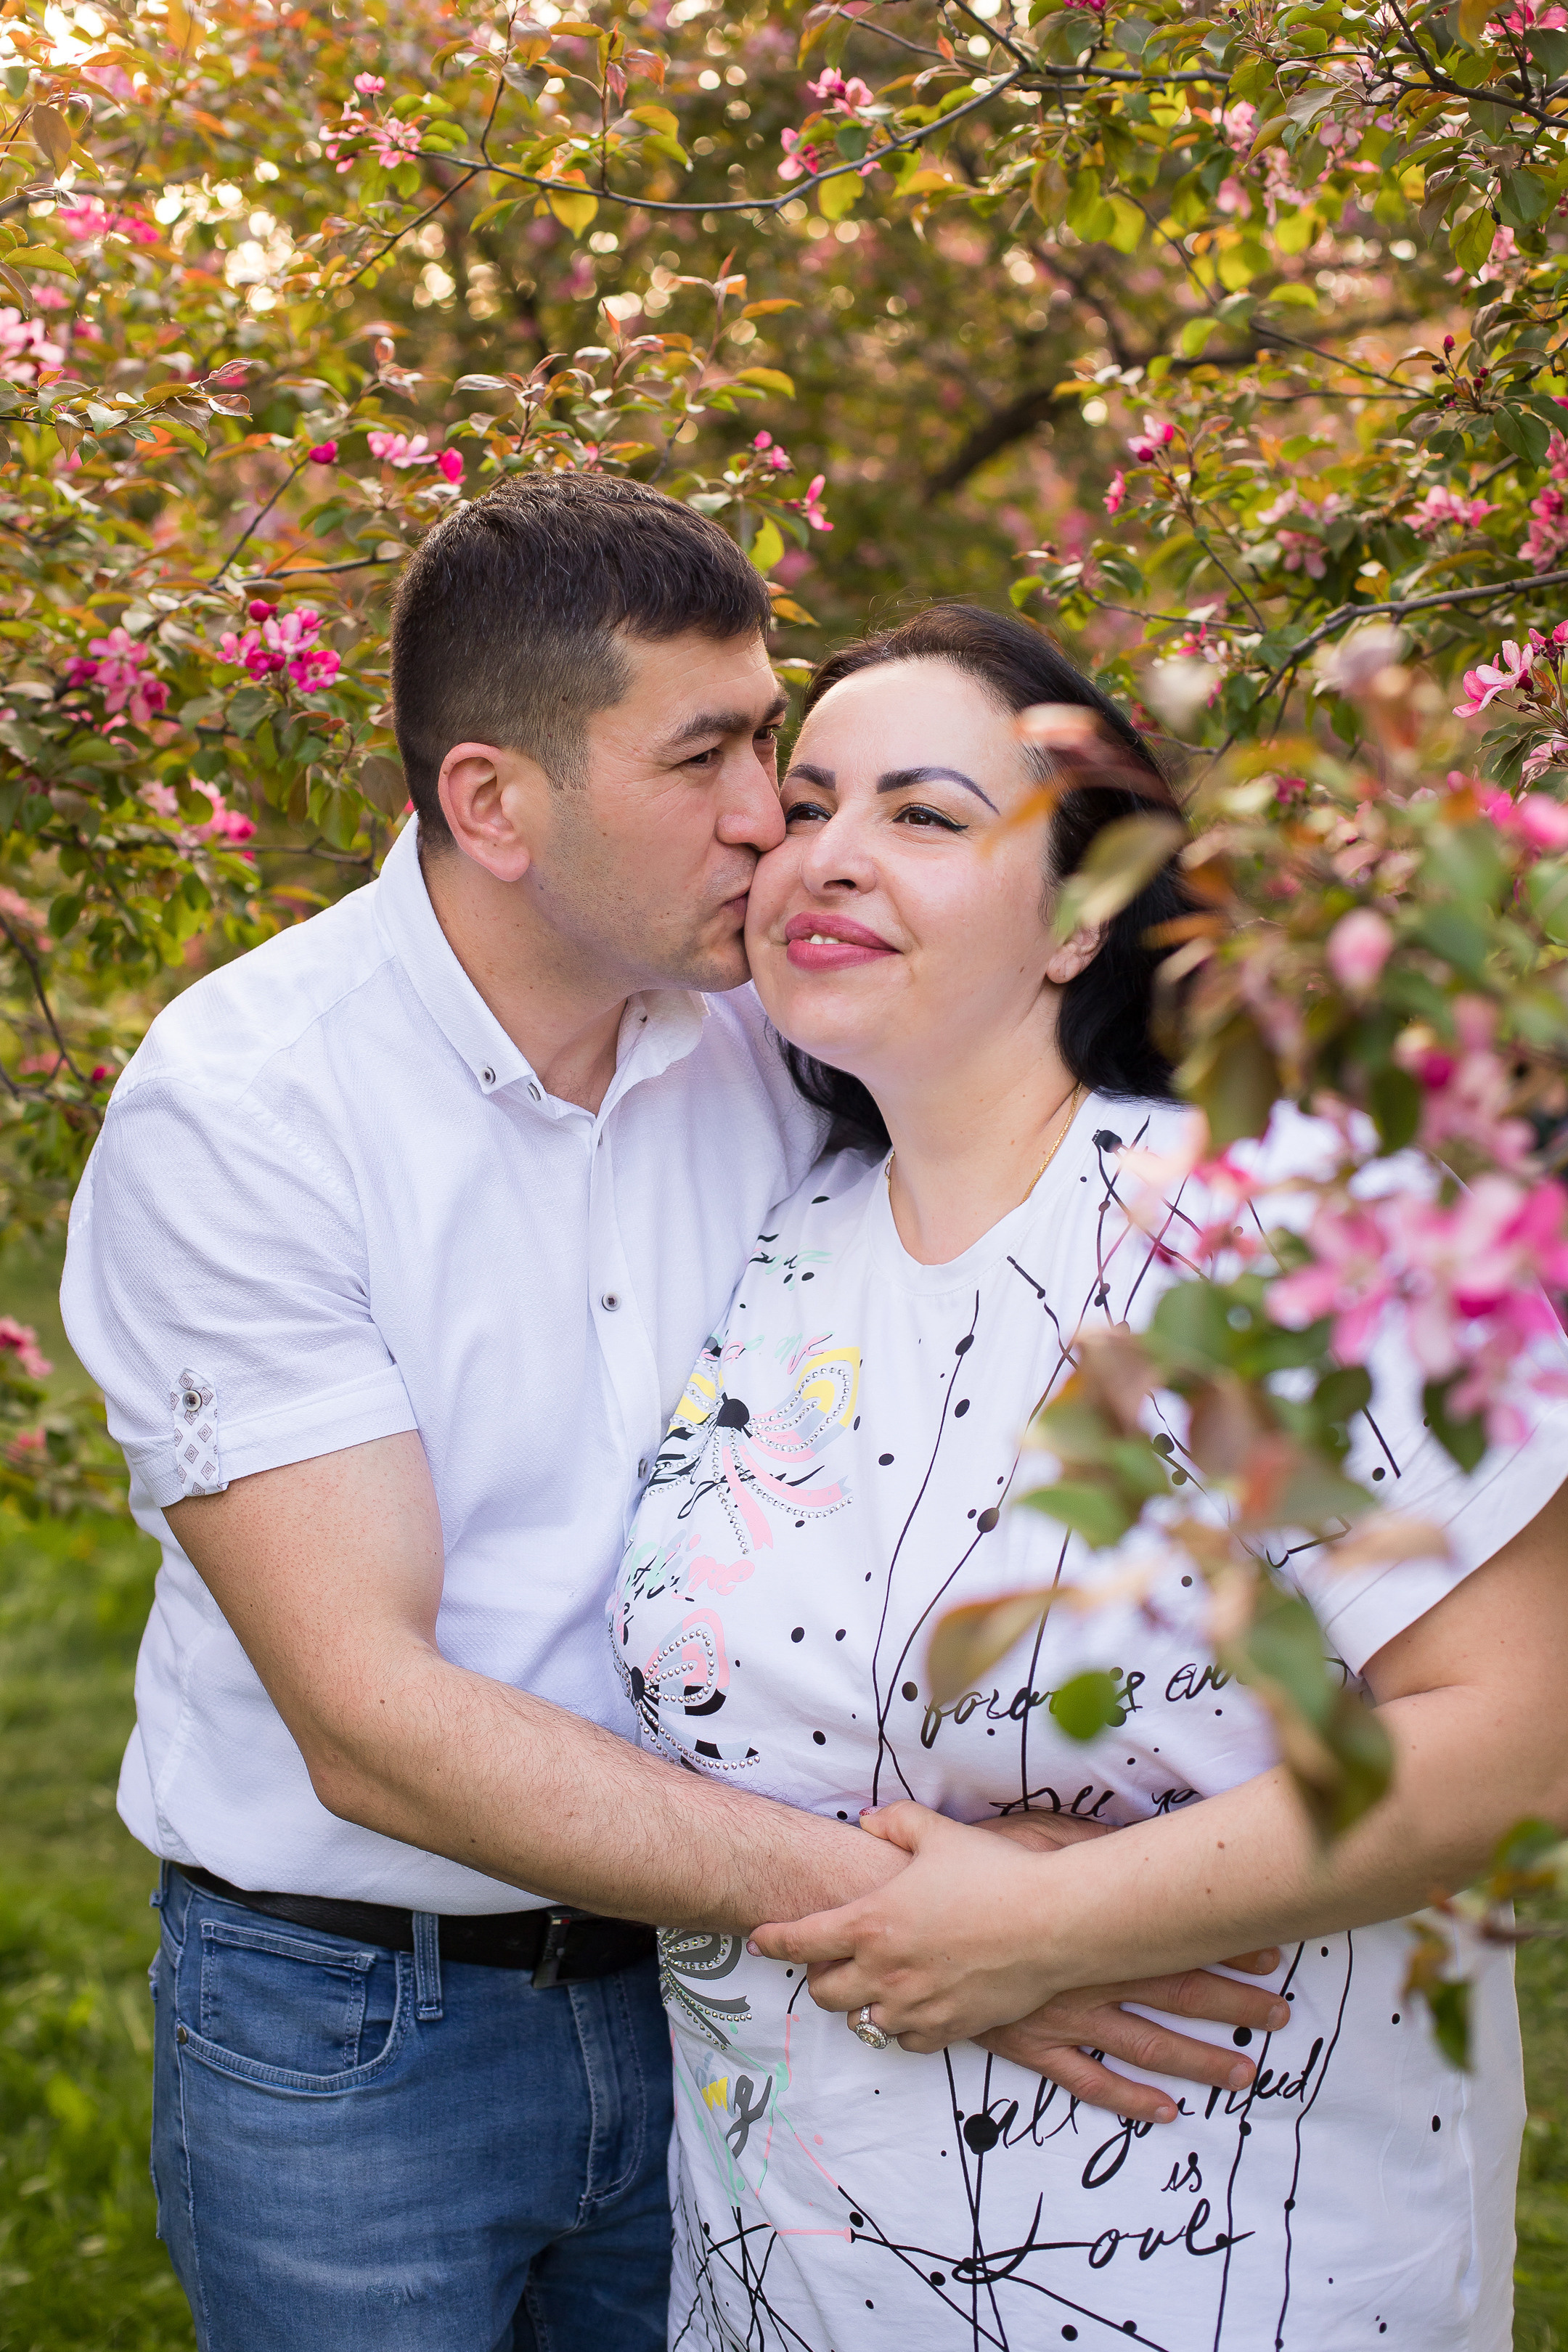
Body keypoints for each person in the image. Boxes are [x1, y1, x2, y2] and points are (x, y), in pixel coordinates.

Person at [60, 489, 1286, 2352]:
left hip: (732, 1994)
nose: (767, 822)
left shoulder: (781, 1039)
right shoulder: (245, 1112)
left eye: (772, 747)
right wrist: (941, 1924)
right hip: (365, 2017)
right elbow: (371, 1724)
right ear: (494, 806)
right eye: (706, 757)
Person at [611, 603, 1568, 2351]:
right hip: (787, 2273)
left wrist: (1058, 1917)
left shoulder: (1275, 1220)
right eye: (805, 800)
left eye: (921, 813)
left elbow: (1523, 1727)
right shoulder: (777, 1244)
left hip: (1221, 2263)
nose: (822, 854)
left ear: (1079, 920)